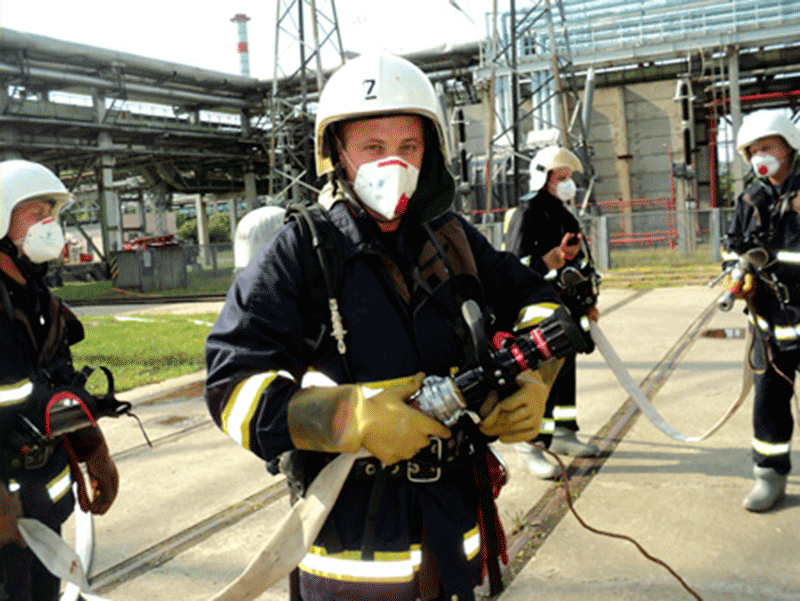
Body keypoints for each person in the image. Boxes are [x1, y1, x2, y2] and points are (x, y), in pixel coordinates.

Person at [204, 53, 584, 601]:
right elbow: (231, 387)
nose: (394, 165)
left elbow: (540, 301)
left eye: (408, 147)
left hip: (452, 533)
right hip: (353, 550)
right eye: (372, 148)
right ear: (337, 152)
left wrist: (536, 377)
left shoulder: (452, 240)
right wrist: (347, 417)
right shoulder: (302, 253)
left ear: (430, 151)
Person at [0, 159, 119, 600]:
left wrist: (93, 449)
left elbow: (58, 388)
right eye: (35, 213)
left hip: (41, 514)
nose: (48, 224)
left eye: (52, 213)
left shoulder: (41, 302)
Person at [504, 145, 600, 479]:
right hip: (538, 312)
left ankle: (563, 432)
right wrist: (546, 262)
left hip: (567, 307)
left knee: (565, 372)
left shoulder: (564, 214)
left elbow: (582, 262)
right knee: (540, 377)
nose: (568, 183)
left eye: (569, 177)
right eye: (561, 177)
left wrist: (589, 299)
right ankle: (530, 445)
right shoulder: (527, 214)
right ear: (543, 178)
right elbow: (512, 267)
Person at [722, 108, 800, 512]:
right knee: (768, 402)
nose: (759, 156)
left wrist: (774, 262)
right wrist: (735, 276)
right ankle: (769, 476)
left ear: (789, 146)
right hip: (768, 323)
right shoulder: (750, 198)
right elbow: (732, 247)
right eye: (752, 151)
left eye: (766, 146)